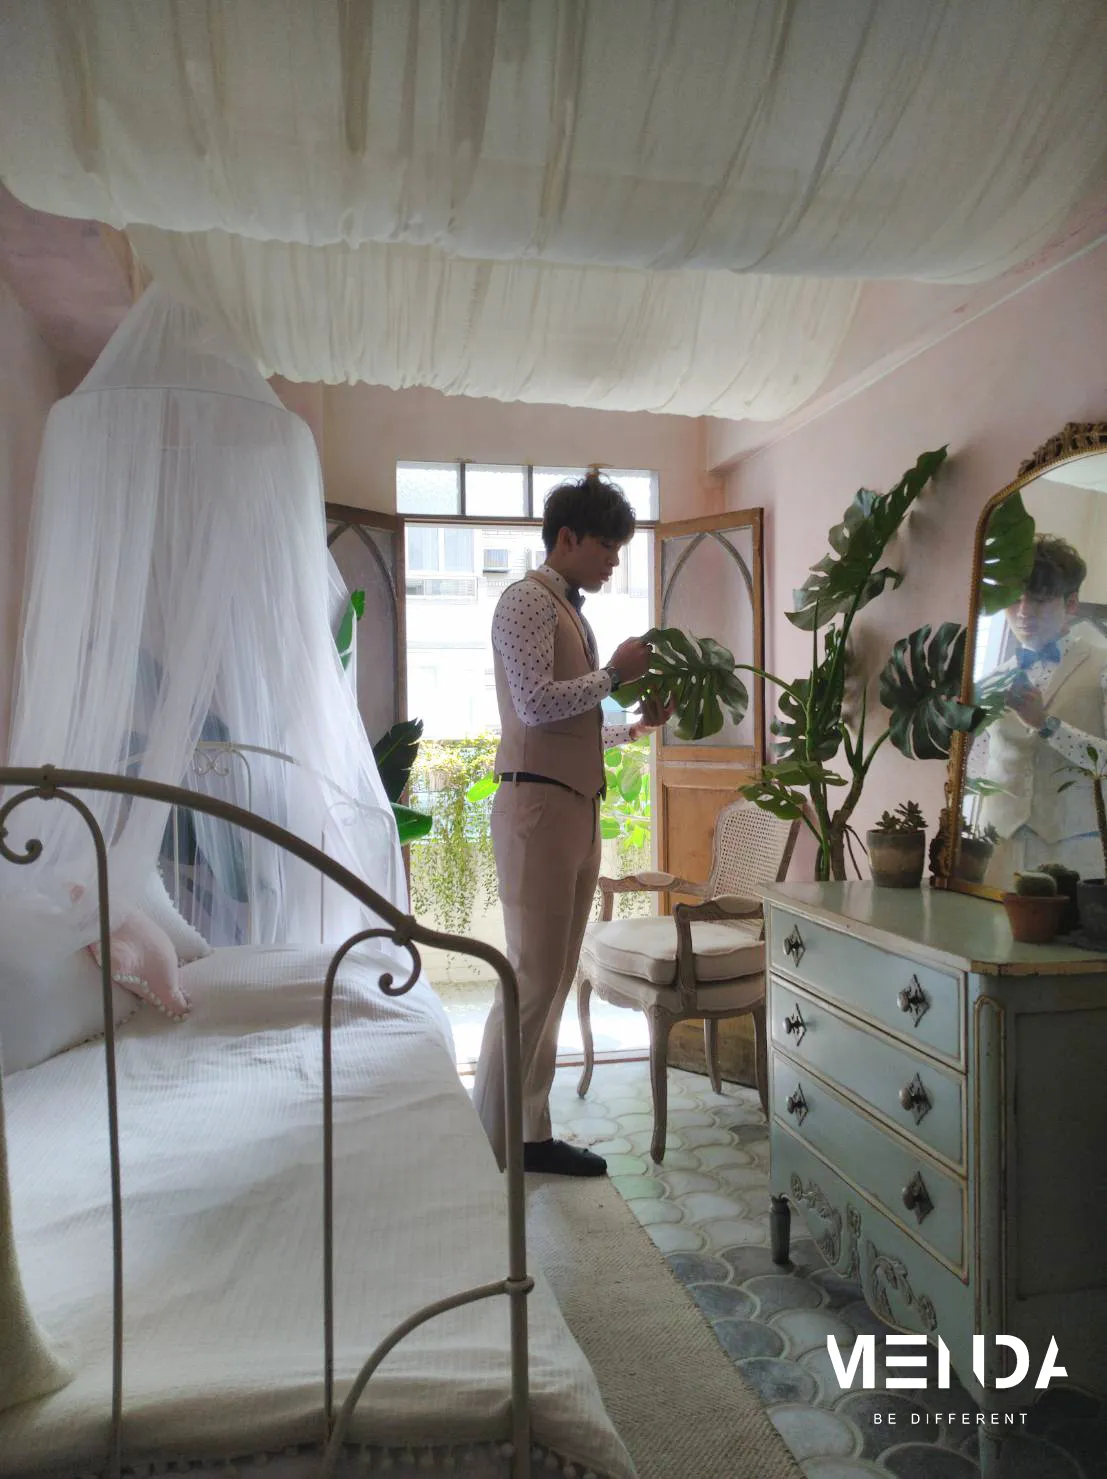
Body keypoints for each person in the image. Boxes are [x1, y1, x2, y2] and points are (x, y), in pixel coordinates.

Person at [472, 471, 671, 1176]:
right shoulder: (525, 599)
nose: (614, 559)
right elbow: (534, 704)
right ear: (566, 537)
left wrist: (631, 728)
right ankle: (485, 1149)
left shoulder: (566, 609)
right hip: (537, 810)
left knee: (554, 979)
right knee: (529, 979)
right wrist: (613, 674)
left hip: (574, 809)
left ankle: (530, 1134)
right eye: (606, 545)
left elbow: (568, 717)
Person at [977, 533, 1107, 880]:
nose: (1023, 613)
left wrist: (1046, 725)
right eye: (1014, 600)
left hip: (1075, 853)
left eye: (1039, 600)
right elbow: (979, 767)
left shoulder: (1102, 666)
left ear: (1071, 603)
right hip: (997, 849)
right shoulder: (992, 679)